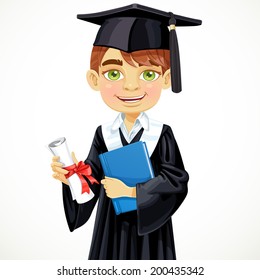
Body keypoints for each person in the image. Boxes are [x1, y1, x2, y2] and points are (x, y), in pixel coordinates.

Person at [51, 4, 201, 260]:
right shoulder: (103, 133)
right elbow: (92, 182)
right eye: (113, 73)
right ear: (94, 79)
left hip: (151, 233)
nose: (131, 86)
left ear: (167, 78)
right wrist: (73, 179)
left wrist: (132, 192)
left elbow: (177, 182)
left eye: (148, 74)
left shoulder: (162, 133)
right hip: (110, 227)